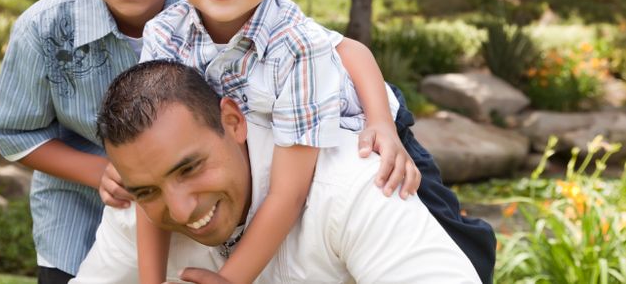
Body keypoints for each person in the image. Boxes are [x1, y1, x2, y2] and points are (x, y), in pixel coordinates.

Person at [139, 0, 496, 284]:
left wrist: (379, 122)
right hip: (276, 121)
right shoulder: (166, 34)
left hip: (357, 114)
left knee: (441, 235)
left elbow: (289, 192)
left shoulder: (294, 44)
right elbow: (152, 136)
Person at [72, 59, 482, 284]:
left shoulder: (352, 184)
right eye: (148, 191)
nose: (179, 211)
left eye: (190, 168)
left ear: (233, 123)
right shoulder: (137, 198)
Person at [0, 0, 183, 283]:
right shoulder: (42, 29)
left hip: (184, 221)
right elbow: (14, 133)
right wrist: (98, 173)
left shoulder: (204, 9)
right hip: (77, 225)